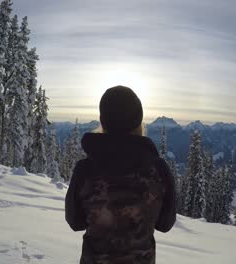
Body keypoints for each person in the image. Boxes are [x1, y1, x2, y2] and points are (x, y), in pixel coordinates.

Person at [65, 85, 176, 264]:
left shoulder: (85, 170)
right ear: (138, 121)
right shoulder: (158, 170)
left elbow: (75, 222)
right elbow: (165, 224)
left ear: (103, 121)